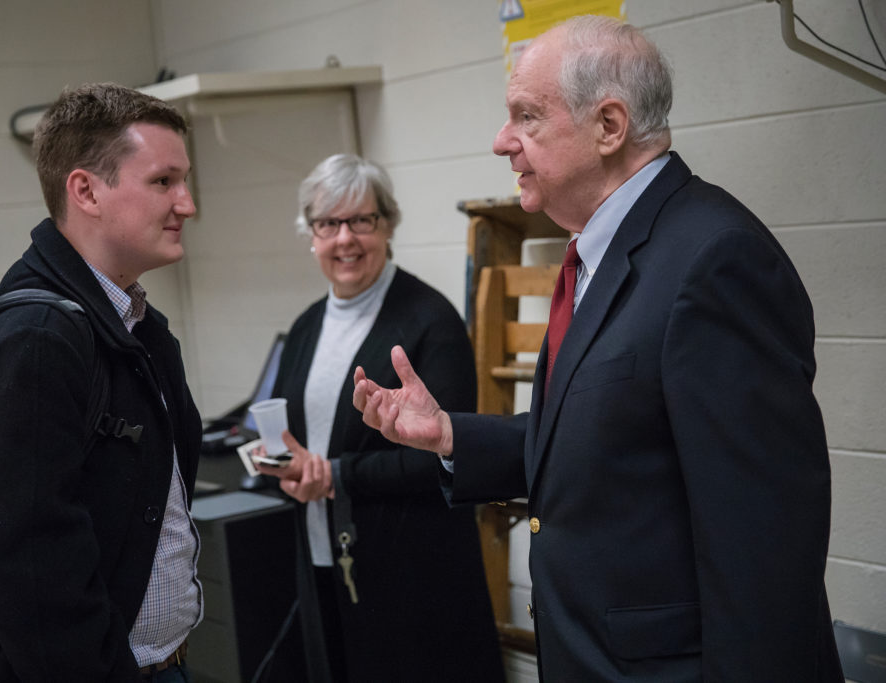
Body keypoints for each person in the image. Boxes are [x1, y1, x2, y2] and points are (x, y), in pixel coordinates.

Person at [353, 16, 844, 683]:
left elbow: (763, 548)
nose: (503, 141)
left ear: (609, 127)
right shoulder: (598, 250)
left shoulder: (714, 259)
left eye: (526, 116)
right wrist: (448, 436)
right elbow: (600, 439)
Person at [0, 83, 204, 681]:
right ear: (86, 190)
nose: (187, 203)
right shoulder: (36, 337)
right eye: (163, 181)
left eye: (183, 180)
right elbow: (17, 561)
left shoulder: (138, 326)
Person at [256, 153, 504, 682]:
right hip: (327, 559)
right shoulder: (305, 328)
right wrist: (281, 464)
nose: (345, 239)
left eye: (361, 221)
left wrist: (335, 476)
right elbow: (290, 436)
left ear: (387, 225)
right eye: (329, 223)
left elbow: (442, 459)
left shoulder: (431, 322)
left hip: (413, 574)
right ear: (311, 234)